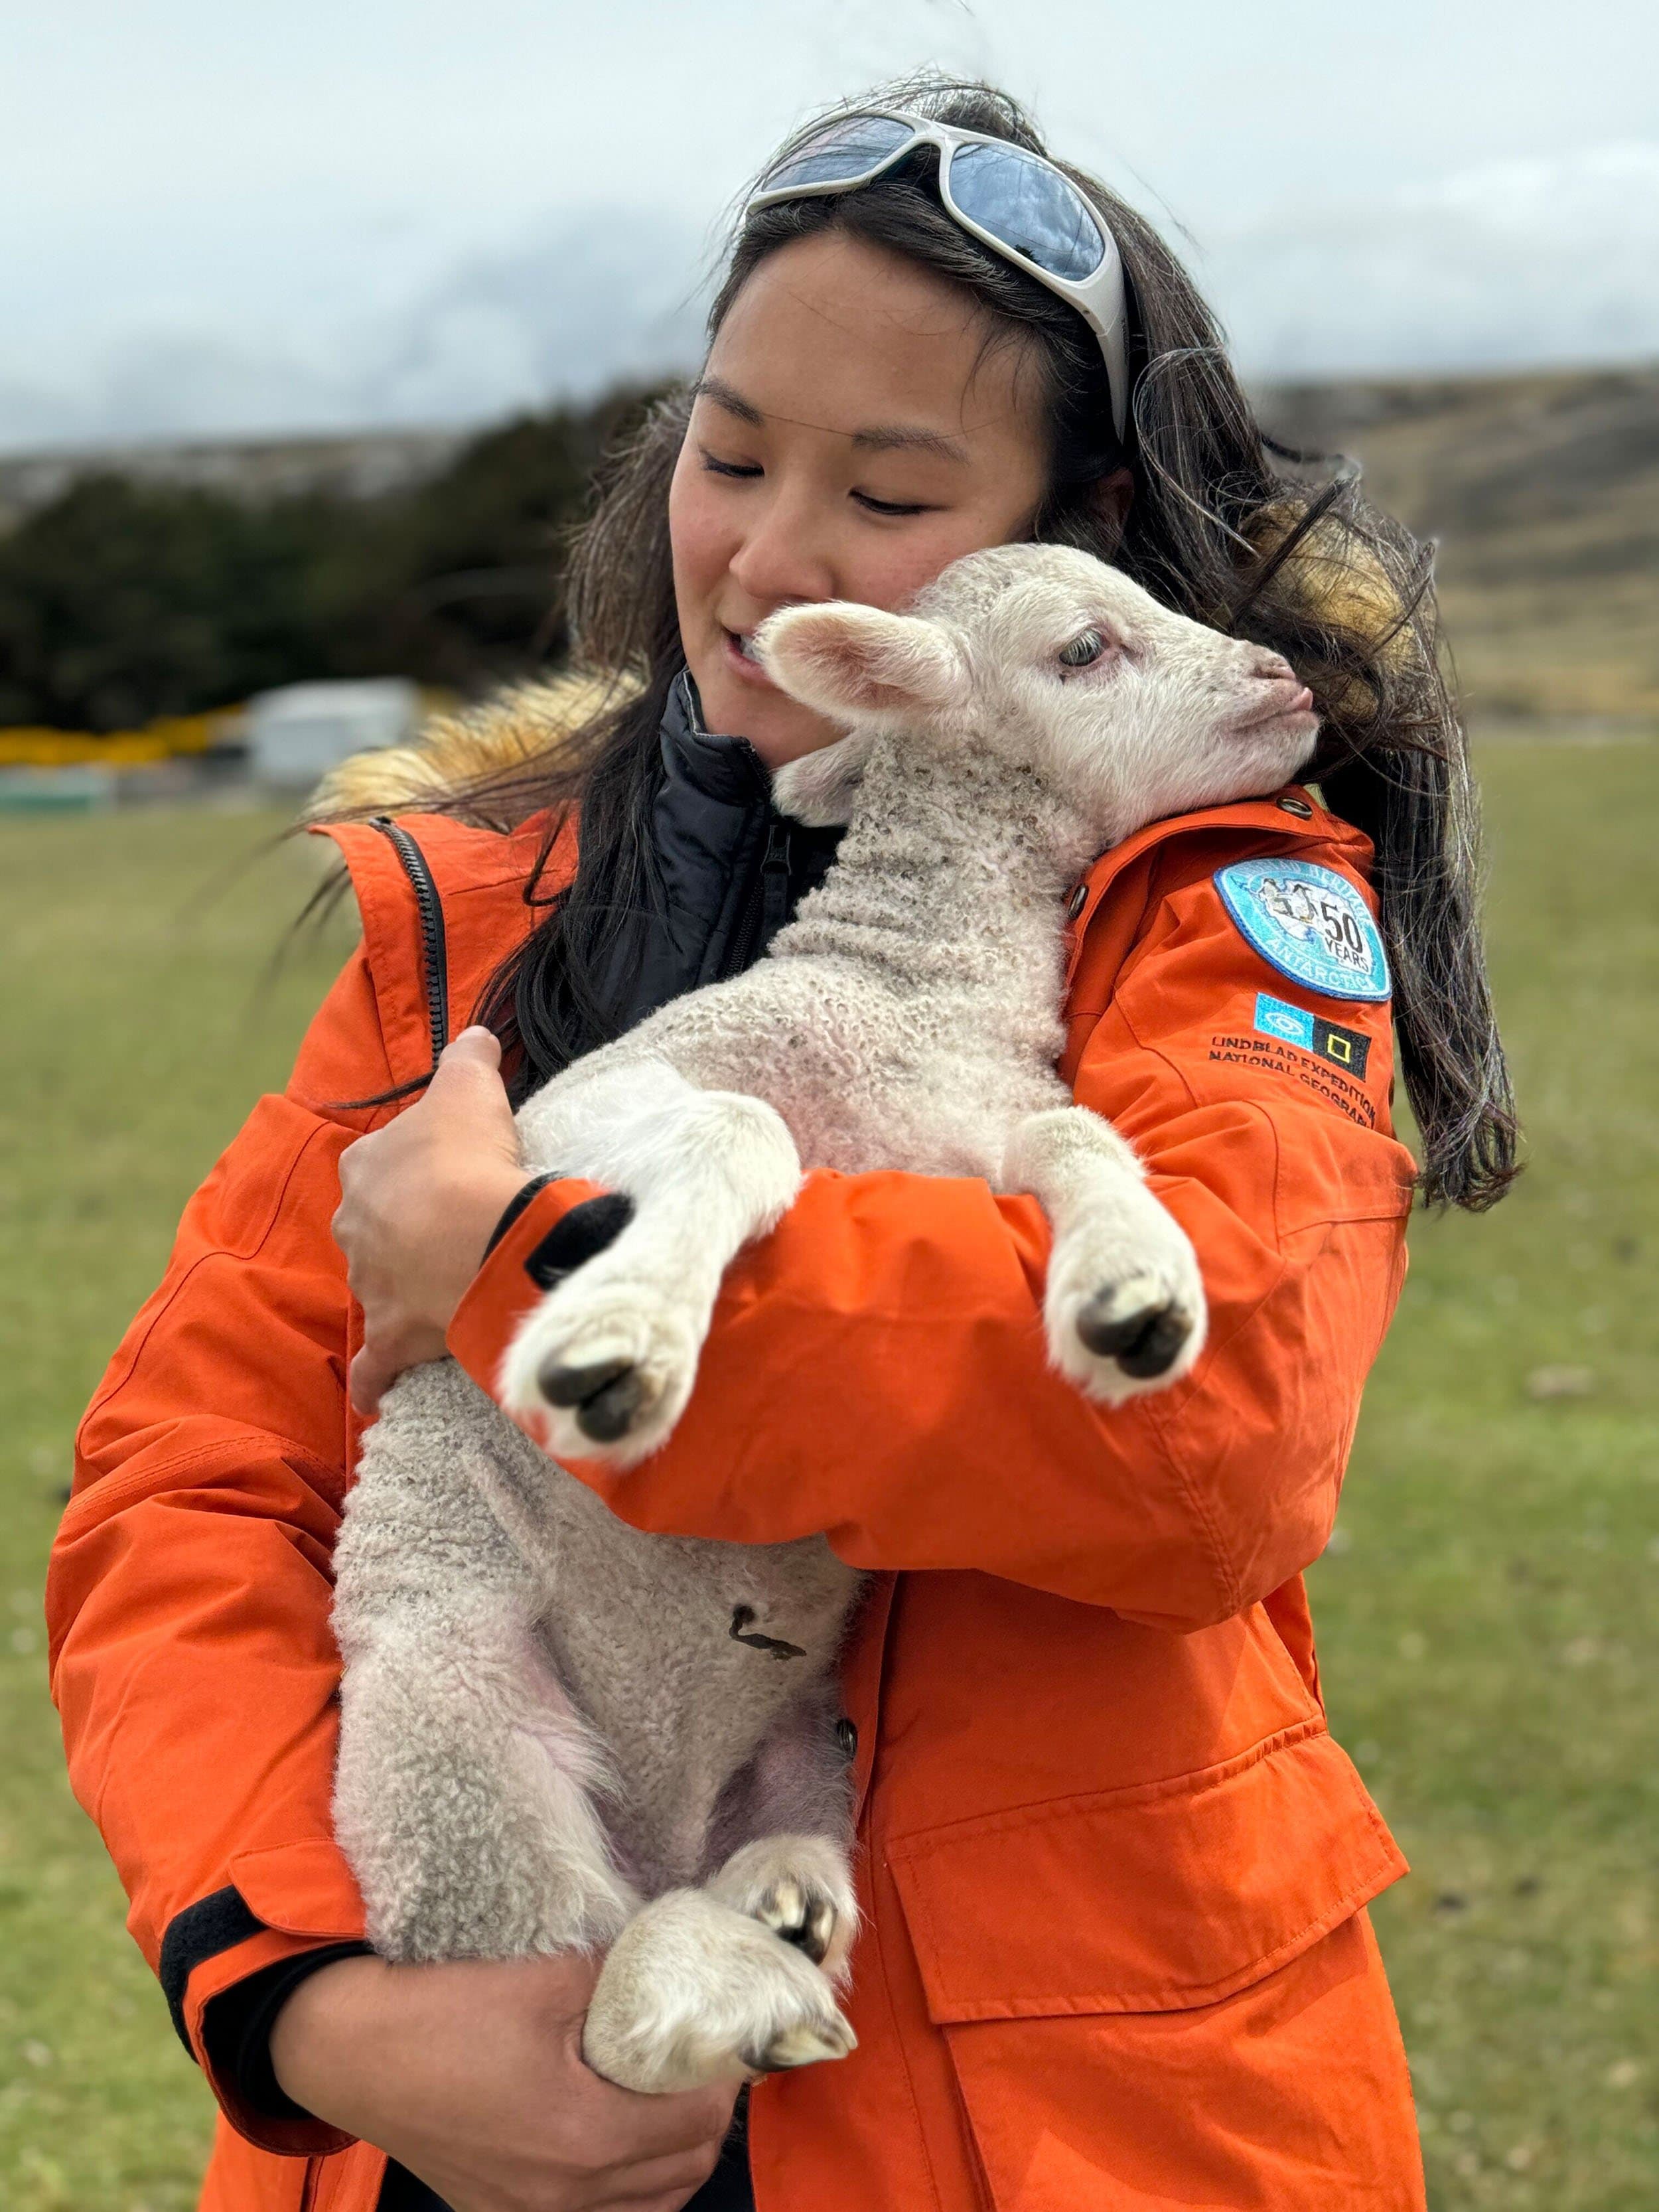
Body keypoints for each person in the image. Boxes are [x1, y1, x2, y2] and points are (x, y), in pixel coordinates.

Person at [47, 74, 1518, 2212]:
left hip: (1042, 2123)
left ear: (1066, 532)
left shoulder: (1215, 912)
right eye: (727, 454)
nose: (764, 555)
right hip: (492, 2086)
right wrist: (319, 2008)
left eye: (887, 491)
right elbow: (195, 1482)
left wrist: (519, 1266)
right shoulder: (467, 916)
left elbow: (1211, 1435)